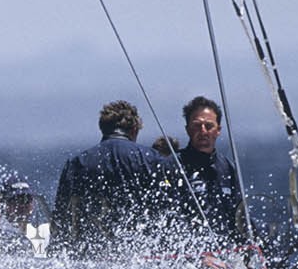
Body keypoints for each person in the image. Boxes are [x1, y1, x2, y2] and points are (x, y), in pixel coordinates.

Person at [51, 100, 169, 259]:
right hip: (137, 253)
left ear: (103, 129)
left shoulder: (78, 162)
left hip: (90, 254)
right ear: (134, 130)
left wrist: (55, 250)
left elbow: (61, 214)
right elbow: (168, 204)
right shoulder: (150, 159)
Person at [172, 95, 246, 245]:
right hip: (188, 257)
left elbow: (239, 216)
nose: (203, 131)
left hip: (226, 256)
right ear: (187, 130)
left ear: (218, 130)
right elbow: (167, 219)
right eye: (197, 126)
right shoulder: (173, 166)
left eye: (209, 126)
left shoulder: (227, 167)